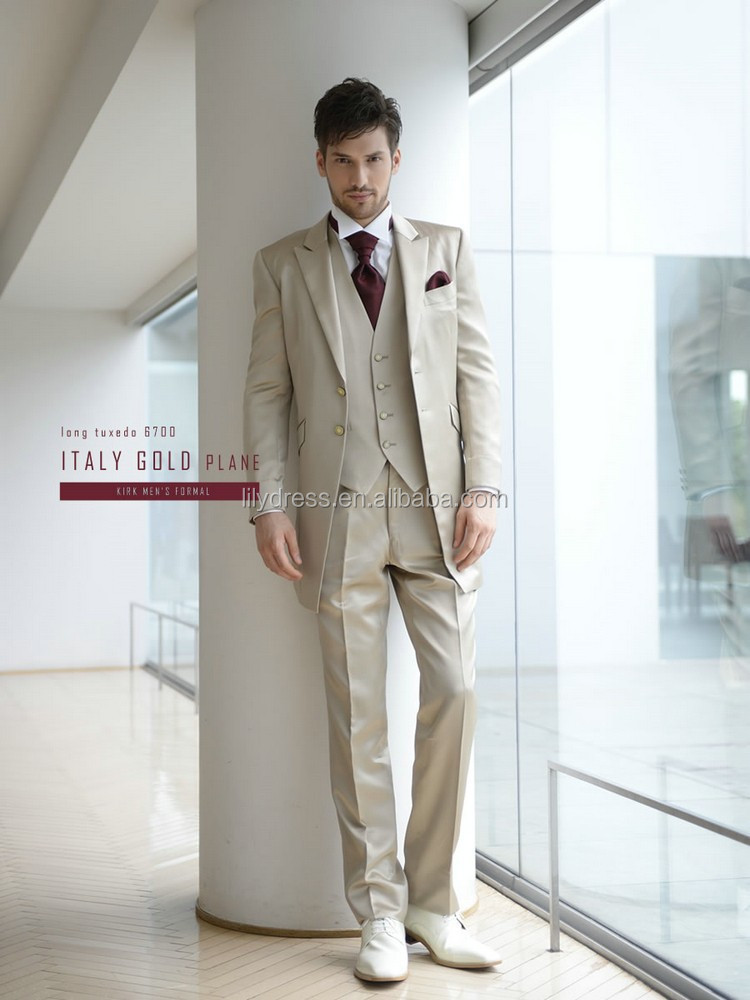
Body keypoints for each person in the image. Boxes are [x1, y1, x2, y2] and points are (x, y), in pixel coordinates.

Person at [243, 77, 502, 983]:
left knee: (457, 690)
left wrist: (488, 492)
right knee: (357, 720)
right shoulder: (282, 265)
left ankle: (434, 898)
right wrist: (269, 500)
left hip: (438, 509)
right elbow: (269, 395)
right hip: (335, 512)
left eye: (375, 159)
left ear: (398, 157)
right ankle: (381, 915)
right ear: (320, 161)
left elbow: (478, 379)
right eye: (343, 161)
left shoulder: (446, 251)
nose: (360, 177)